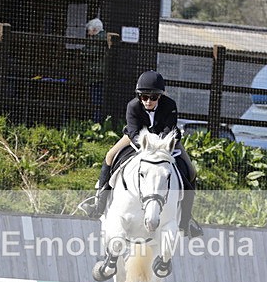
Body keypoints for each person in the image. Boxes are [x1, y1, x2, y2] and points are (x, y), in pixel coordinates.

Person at [83, 70, 203, 237]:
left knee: (191, 170)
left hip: (165, 142)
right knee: (110, 156)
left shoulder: (170, 105)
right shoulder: (132, 106)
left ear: (160, 96)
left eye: (153, 97)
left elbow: (169, 129)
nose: (148, 101)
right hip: (137, 139)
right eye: (144, 97)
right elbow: (133, 131)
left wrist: (159, 146)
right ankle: (99, 204)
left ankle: (186, 220)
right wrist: (146, 146)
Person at [82, 17, 107, 123]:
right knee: (97, 100)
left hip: (96, 75)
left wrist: (83, 51)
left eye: (89, 30)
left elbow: (92, 52)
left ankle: (97, 123)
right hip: (98, 75)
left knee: (96, 100)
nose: (88, 33)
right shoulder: (103, 38)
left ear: (95, 30)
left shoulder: (99, 39)